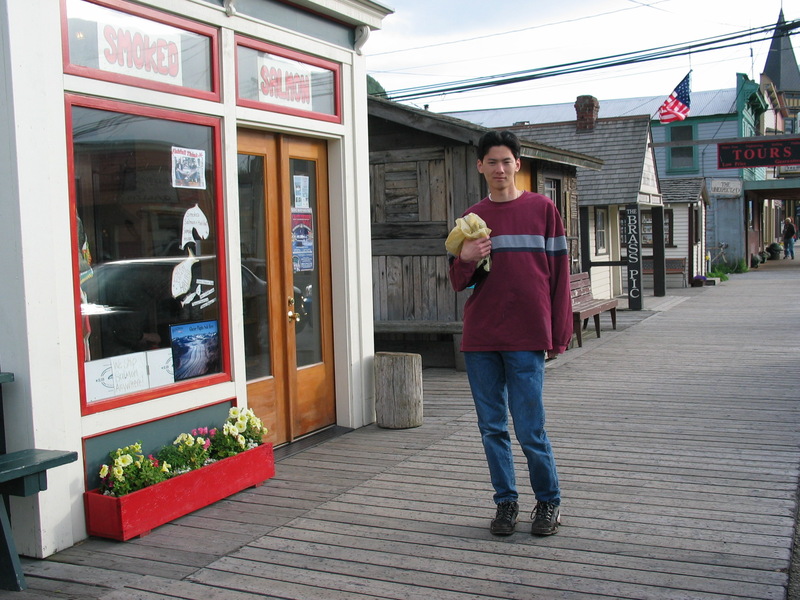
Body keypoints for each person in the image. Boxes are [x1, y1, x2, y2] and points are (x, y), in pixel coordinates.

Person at [448, 130, 572, 537]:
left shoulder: (543, 209)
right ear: (480, 166)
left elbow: (559, 276)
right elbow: (459, 282)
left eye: (506, 161)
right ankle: (506, 503)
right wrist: (466, 257)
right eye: (492, 162)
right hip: (482, 337)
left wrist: (559, 333)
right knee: (492, 428)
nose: (499, 169)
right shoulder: (471, 218)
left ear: (518, 164)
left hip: (527, 336)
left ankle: (548, 502)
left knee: (530, 428)